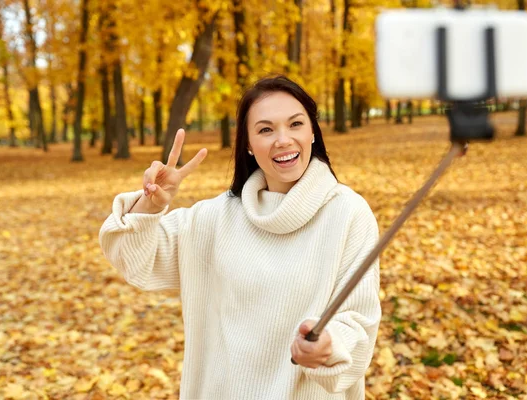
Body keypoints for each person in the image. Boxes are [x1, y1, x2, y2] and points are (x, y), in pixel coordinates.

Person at [99, 75, 381, 399]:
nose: (284, 139)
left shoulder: (348, 214)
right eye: (265, 129)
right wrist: (151, 202)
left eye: (295, 124)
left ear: (313, 132)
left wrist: (329, 346)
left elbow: (358, 322)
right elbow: (133, 257)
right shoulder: (214, 219)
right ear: (247, 143)